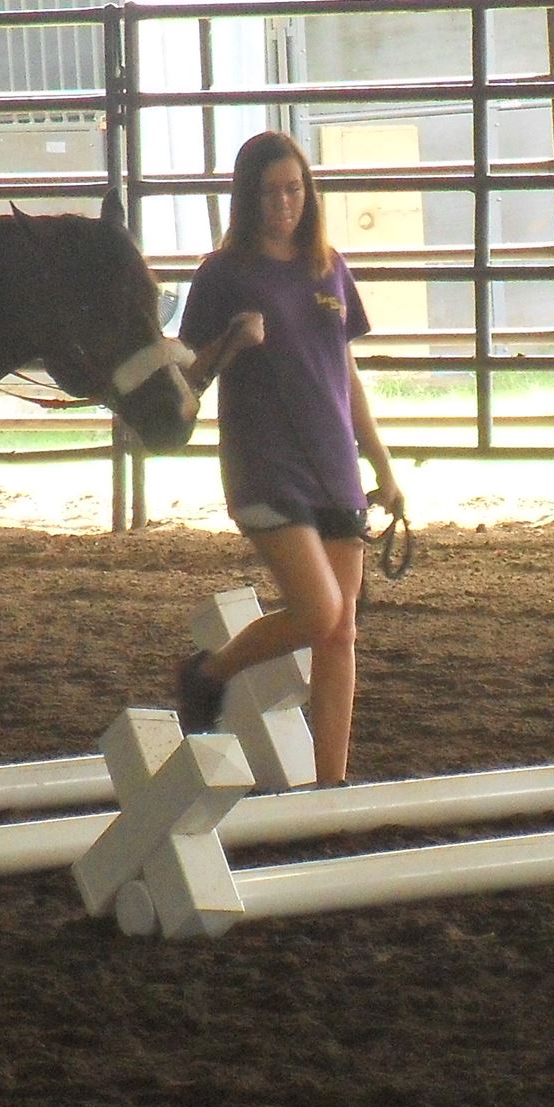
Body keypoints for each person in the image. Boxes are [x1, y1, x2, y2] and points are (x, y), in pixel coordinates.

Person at [173, 130, 402, 787]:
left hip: (334, 465)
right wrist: (231, 342)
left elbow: (345, 373)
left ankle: (331, 784)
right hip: (265, 465)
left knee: (339, 635)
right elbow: (187, 376)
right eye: (270, 191)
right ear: (247, 198)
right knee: (321, 611)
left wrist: (381, 466)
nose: (284, 203)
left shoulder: (328, 266)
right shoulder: (222, 275)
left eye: (294, 189)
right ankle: (208, 673)